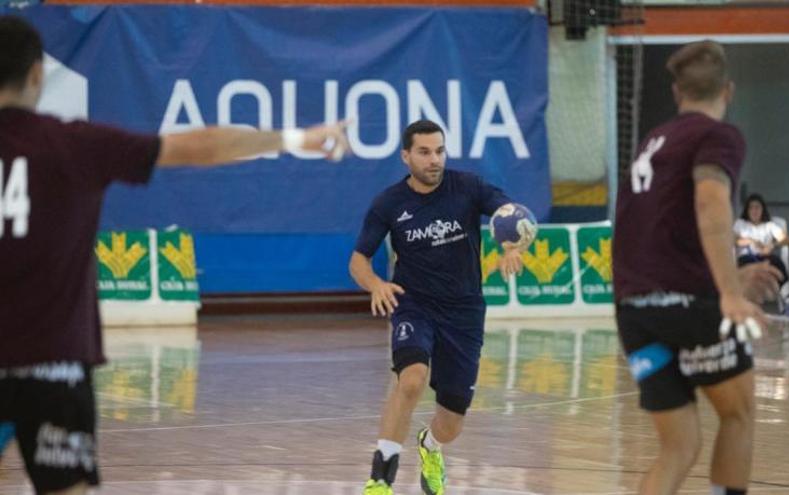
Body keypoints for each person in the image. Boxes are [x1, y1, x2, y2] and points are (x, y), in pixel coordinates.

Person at [0, 15, 349, 495]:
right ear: (38, 74)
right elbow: (197, 144)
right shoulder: (75, 144)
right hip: (54, 365)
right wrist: (296, 139)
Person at [613, 40, 779, 495]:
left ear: (676, 91)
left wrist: (722, 280)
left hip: (635, 313)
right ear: (729, 90)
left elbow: (648, 232)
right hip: (687, 308)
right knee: (738, 413)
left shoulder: (654, 141)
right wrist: (727, 292)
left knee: (679, 446)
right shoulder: (717, 135)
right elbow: (711, 201)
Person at [350, 119, 524, 495]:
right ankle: (380, 479)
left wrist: (512, 244)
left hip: (464, 312)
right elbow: (358, 260)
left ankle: (430, 445)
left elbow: (510, 213)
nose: (434, 160)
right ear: (406, 156)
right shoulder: (389, 203)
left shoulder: (468, 187)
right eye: (425, 152)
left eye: (440, 151)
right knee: (410, 380)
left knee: (451, 424)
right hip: (414, 304)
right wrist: (377, 284)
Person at [733, 194, 789, 315]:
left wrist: (772, 246)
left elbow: (786, 239)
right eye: (751, 208)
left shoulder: (769, 225)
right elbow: (732, 239)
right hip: (747, 257)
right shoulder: (740, 224)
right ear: (747, 210)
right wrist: (750, 241)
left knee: (778, 262)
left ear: (762, 210)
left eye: (757, 207)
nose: (754, 211)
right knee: (742, 265)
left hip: (765, 257)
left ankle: (787, 302)